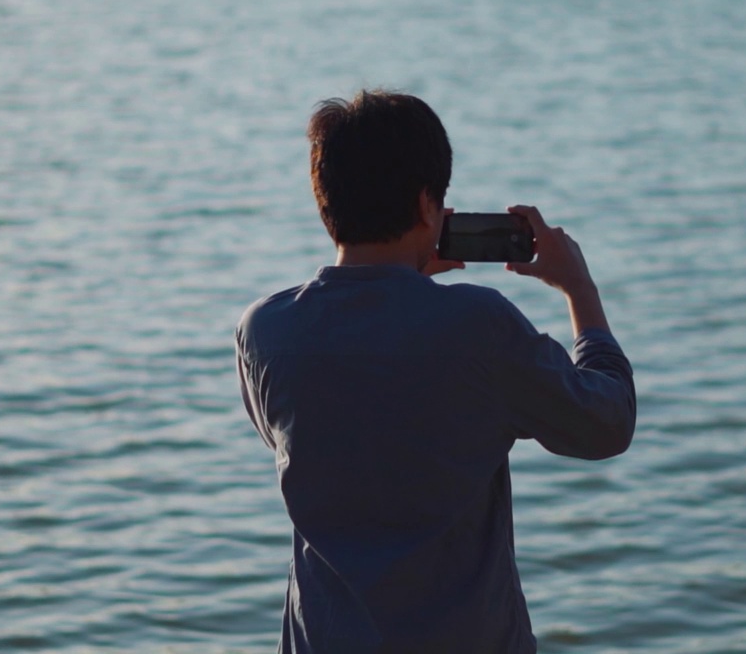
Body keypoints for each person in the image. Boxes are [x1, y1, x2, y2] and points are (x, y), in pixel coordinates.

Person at [235, 90, 636, 653]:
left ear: (326, 201)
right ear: (428, 204)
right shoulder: (478, 326)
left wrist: (407, 286)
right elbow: (606, 423)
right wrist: (581, 291)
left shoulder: (266, 331)